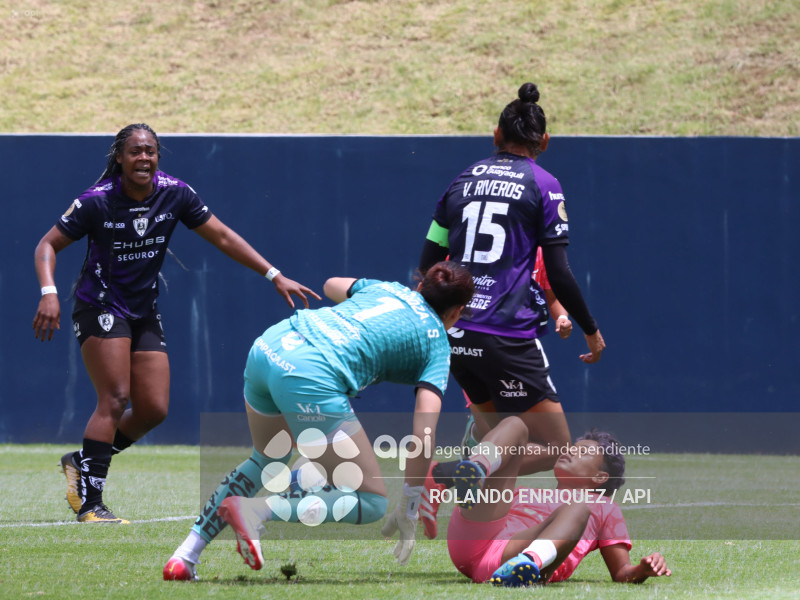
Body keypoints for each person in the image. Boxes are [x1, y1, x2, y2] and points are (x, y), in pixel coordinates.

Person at [33, 123, 321, 524]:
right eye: (135, 151)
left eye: (150, 151)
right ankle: (90, 503)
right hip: (100, 306)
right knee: (115, 398)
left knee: (153, 409)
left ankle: (82, 461)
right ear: (119, 158)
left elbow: (222, 236)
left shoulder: (175, 193)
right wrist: (49, 292)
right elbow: (47, 244)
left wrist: (274, 275)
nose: (144, 158)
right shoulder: (96, 201)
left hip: (143, 310)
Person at [163, 261, 475, 581]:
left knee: (266, 459)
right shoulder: (438, 343)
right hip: (310, 375)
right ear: (457, 312)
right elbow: (423, 434)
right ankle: (256, 510)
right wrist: (410, 503)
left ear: (420, 286)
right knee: (371, 501)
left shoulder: (387, 288)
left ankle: (185, 557)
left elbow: (330, 284)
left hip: (272, 345)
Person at [417, 82, 605, 537]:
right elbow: (558, 271)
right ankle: (445, 475)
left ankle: (475, 519)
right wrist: (591, 330)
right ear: (545, 141)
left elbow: (428, 263)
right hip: (507, 334)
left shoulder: (461, 180)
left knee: (494, 438)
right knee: (558, 449)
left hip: (455, 333)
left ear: (496, 134)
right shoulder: (545, 184)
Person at [446, 419, 671, 586]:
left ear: (600, 477)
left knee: (578, 509)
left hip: (518, 557)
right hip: (473, 540)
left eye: (583, 452)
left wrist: (643, 570)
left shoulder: (604, 506)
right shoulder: (524, 492)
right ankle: (477, 466)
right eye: (573, 447)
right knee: (515, 425)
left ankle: (526, 564)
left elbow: (622, 571)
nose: (571, 452)